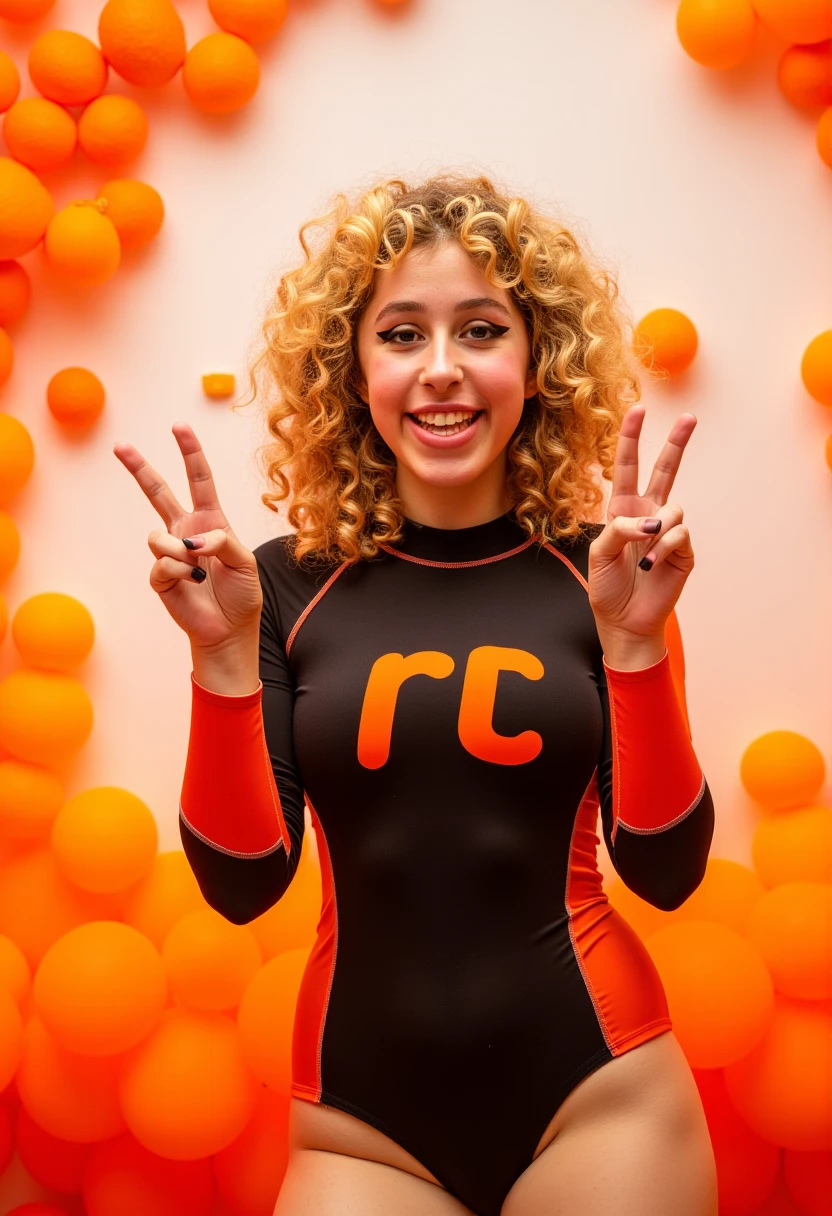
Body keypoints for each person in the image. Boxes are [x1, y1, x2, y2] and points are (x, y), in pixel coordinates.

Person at [114, 174, 718, 1216]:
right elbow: (244, 887)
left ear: (537, 363)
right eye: (401, 334)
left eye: (480, 329)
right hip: (364, 1131)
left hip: (602, 1097)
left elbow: (664, 872)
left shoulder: (607, 575)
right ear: (354, 369)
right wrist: (219, 668)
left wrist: (639, 645)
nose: (441, 370)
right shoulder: (281, 586)